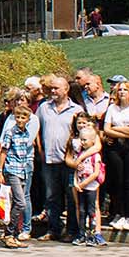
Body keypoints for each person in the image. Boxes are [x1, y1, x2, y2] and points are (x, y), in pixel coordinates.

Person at [37, 77, 81, 241]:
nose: (53, 91)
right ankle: (53, 229)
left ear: (66, 89)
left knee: (70, 197)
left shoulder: (76, 109)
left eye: (56, 88)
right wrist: (40, 149)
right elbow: (37, 129)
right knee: (51, 196)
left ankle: (71, 231)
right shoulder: (44, 108)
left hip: (68, 160)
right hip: (49, 159)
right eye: (52, 88)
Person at [102, 80, 129, 231]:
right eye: (120, 90)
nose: (122, 92)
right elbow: (106, 129)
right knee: (117, 180)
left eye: (125, 90)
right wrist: (124, 130)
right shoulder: (113, 108)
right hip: (116, 147)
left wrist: (116, 129)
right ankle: (118, 212)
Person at [0, 101, 38, 248]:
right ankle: (8, 233)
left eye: (23, 117)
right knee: (20, 202)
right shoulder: (10, 132)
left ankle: (13, 234)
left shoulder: (26, 133)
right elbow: (4, 151)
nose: (20, 120)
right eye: (18, 117)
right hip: (11, 169)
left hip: (22, 169)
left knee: (16, 202)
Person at [69, 114, 105, 246]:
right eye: (81, 140)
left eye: (85, 140)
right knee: (82, 209)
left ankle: (95, 233)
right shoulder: (78, 151)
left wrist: (84, 183)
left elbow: (95, 173)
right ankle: (82, 233)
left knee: (92, 209)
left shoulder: (95, 154)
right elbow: (75, 168)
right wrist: (75, 182)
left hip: (90, 186)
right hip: (80, 184)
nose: (82, 142)